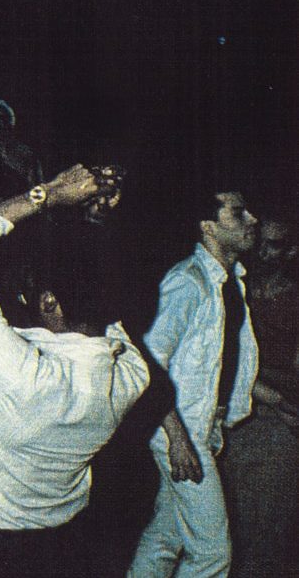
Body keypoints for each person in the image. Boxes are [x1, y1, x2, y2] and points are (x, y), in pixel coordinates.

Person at [0, 165, 148, 577]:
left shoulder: (24, 373)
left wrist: (50, 194)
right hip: (64, 541)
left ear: (48, 302)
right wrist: (95, 221)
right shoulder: (130, 376)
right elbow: (105, 312)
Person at [128, 190, 261, 578]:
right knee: (212, 554)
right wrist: (178, 439)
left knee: (165, 538)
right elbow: (147, 363)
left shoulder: (231, 283)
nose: (252, 220)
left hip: (204, 427)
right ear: (209, 227)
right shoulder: (188, 282)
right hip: (181, 432)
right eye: (238, 213)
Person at [222, 214, 299, 577]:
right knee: (228, 524)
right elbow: (221, 360)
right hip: (238, 412)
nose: (264, 253)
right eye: (261, 243)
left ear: (292, 251)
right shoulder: (234, 286)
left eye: (275, 245)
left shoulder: (293, 297)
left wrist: (284, 404)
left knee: (269, 525)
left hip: (277, 418)